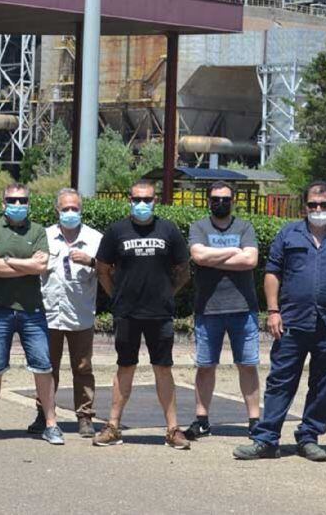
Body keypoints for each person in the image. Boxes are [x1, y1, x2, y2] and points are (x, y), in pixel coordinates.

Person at [233, 180, 326, 462]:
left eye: (324, 205)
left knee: (323, 384)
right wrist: (273, 311)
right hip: (292, 321)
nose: (318, 209)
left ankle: (309, 436)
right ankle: (266, 439)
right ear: (304, 206)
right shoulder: (288, 234)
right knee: (280, 380)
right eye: (313, 205)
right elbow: (272, 273)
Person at [93, 180, 192, 450]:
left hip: (159, 313)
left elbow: (183, 269)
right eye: (137, 199)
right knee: (125, 366)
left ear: (155, 201)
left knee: (163, 368)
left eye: (147, 199)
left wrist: (167, 292)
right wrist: (117, 295)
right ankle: (113, 426)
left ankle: (173, 429)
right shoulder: (117, 231)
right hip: (127, 312)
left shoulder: (168, 230)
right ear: (129, 199)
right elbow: (102, 268)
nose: (142, 204)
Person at [0, 183, 62, 445]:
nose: (18, 205)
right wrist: (27, 265)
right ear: (3, 203)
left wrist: (7, 261)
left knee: (43, 367)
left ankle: (51, 424)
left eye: (22, 201)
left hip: (32, 312)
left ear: (29, 204)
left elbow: (41, 266)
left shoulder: (38, 230)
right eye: (12, 200)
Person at [185, 181, 261, 442]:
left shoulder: (245, 227)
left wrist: (213, 256)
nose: (221, 203)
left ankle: (254, 421)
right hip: (208, 308)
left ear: (233, 201)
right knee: (205, 366)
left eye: (225, 199)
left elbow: (250, 260)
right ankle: (202, 420)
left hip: (244, 308)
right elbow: (198, 257)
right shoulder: (199, 227)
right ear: (208, 201)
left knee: (248, 365)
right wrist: (232, 251)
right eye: (216, 199)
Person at [28, 188, 103, 438]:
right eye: (65, 208)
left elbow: (109, 270)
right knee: (47, 367)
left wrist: (91, 261)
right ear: (56, 210)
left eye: (75, 208)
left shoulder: (95, 238)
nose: (70, 213)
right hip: (49, 313)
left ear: (81, 210)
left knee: (82, 367)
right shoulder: (44, 236)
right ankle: (44, 414)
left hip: (80, 314)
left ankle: (84, 416)